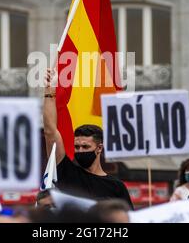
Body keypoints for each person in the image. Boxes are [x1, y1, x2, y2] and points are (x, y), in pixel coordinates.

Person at [43, 68, 133, 209]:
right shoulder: (67, 173)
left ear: (99, 148)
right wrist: (50, 92)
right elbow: (50, 132)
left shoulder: (116, 187)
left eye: (85, 147)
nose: (80, 151)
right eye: (77, 147)